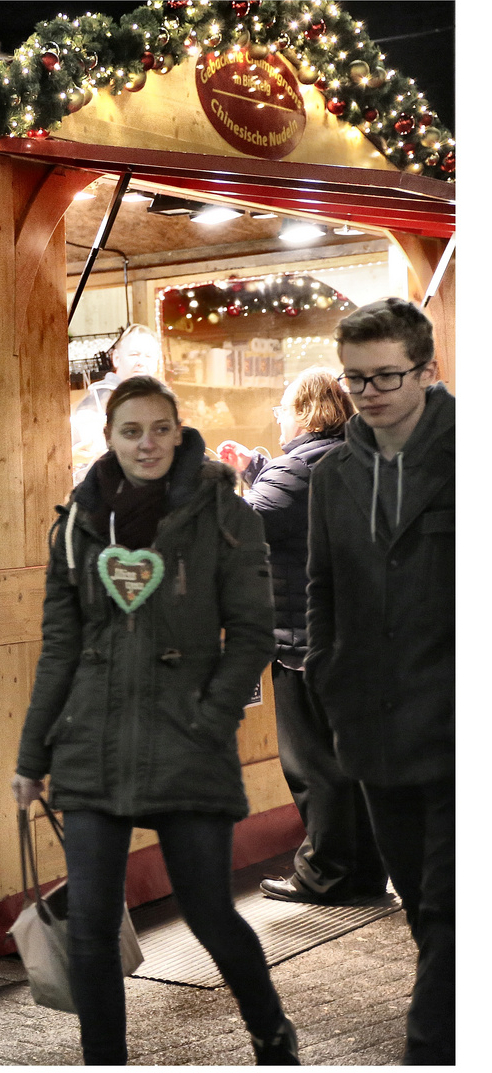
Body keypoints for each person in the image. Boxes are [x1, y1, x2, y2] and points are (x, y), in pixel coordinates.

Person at [11, 377, 297, 1064]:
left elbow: (254, 634)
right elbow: (59, 648)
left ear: (178, 431)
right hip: (91, 743)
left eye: (159, 428)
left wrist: (211, 715)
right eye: (130, 431)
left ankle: (270, 1033)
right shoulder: (77, 525)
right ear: (107, 438)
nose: (147, 443)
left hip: (185, 740)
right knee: (88, 928)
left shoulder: (225, 515)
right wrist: (29, 758)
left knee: (208, 914)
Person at [305, 298, 452, 1064]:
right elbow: (321, 587)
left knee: (453, 907)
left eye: (386, 377)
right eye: (355, 379)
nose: (368, 393)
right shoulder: (333, 475)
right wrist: (329, 675)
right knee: (421, 906)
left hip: (461, 723)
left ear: (426, 370)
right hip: (372, 724)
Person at [238, 368, 388, 905]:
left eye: (282, 407)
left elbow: (244, 524)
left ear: (305, 409)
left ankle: (326, 874)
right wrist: (258, 469)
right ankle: (367, 873)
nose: (277, 416)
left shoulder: (299, 463)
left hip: (307, 643)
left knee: (314, 766)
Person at [71, 324, 163, 481]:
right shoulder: (97, 403)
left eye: (148, 356)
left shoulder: (161, 403)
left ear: (156, 363)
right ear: (116, 359)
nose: (141, 362)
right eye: (134, 355)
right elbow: (85, 459)